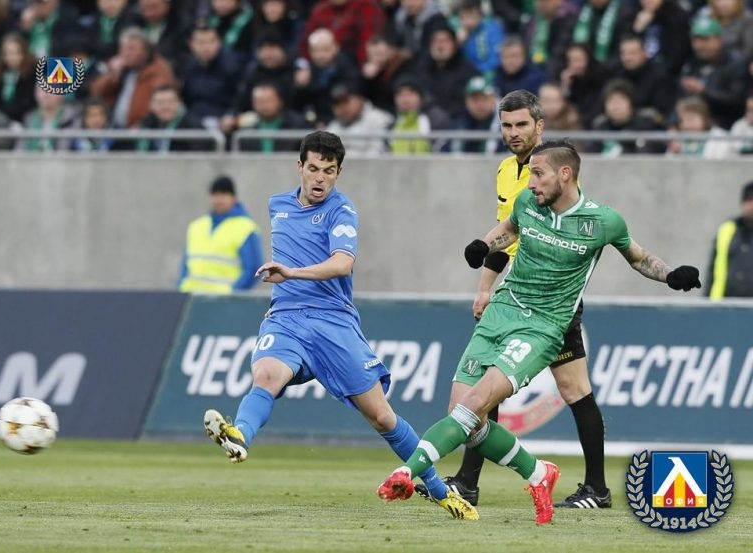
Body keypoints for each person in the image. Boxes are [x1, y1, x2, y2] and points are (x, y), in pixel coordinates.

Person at [378, 138, 702, 524]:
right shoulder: (527, 203)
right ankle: (538, 473)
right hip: (501, 312)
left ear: (565, 174)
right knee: (466, 418)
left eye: (537, 174)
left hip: (543, 326)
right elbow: (510, 227)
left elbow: (639, 256)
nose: (531, 182)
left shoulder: (603, 221)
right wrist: (484, 244)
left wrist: (671, 275)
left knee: (475, 406)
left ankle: (407, 472)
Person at [202, 130, 478, 521]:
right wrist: (284, 292)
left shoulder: (341, 210)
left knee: (382, 417)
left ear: (338, 173)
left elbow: (342, 263)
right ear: (300, 166)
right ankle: (240, 435)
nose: (320, 178)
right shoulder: (277, 204)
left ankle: (438, 489)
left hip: (333, 322)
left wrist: (292, 273)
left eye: (328, 171)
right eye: (314, 168)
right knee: (266, 375)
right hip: (287, 318)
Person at [416, 90, 607, 510]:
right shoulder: (505, 170)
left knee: (571, 389)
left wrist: (492, 286)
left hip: (548, 301)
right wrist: (486, 286)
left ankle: (594, 487)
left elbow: (550, 234)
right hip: (514, 294)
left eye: (522, 124)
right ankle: (470, 481)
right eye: (506, 125)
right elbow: (505, 233)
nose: (514, 132)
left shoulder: (551, 172)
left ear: (540, 125)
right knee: (508, 386)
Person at [179, 175, 264, 294]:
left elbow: (253, 268)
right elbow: (185, 266)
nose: (218, 200)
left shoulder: (246, 228)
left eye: (223, 195)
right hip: (192, 297)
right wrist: (181, 288)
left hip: (222, 300)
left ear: (233, 198)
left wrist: (232, 294)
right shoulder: (196, 226)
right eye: (215, 195)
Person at [706, 181, 753, 299]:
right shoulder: (727, 229)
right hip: (725, 304)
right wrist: (706, 302)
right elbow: (712, 271)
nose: (751, 205)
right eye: (748, 200)